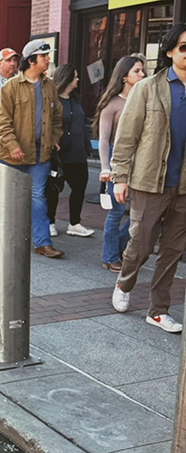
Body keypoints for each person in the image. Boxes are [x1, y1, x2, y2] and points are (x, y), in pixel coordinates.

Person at [110, 23, 186, 333]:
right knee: (140, 245)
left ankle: (158, 310)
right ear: (170, 52)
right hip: (149, 180)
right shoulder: (148, 88)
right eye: (184, 47)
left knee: (172, 251)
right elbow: (127, 136)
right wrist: (119, 176)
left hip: (183, 186)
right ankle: (124, 282)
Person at [0, 39, 63, 259]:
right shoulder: (10, 87)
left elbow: (57, 117)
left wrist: (54, 138)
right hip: (12, 156)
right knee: (9, 200)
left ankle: (43, 243)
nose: (48, 60)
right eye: (44, 56)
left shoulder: (50, 85)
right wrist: (12, 146)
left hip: (41, 154)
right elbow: (1, 121)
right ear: (31, 59)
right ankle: (5, 240)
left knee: (38, 198)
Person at [94, 56, 146, 271]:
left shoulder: (144, 98)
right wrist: (106, 168)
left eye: (142, 70)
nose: (142, 75)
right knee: (117, 211)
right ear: (125, 76)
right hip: (118, 159)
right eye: (137, 71)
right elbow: (104, 140)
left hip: (142, 159)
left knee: (142, 213)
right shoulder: (112, 104)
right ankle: (110, 256)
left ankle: (120, 247)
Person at [44, 64, 95, 239]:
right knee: (54, 189)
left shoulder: (75, 100)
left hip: (78, 152)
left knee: (79, 187)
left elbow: (80, 125)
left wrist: (88, 147)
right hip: (59, 154)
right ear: (67, 79)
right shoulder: (52, 100)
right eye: (75, 77)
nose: (78, 80)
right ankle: (50, 222)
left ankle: (74, 223)